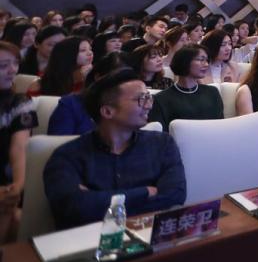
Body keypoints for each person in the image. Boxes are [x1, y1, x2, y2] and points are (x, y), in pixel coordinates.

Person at [43, 70, 187, 230]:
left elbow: (175, 197)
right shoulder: (67, 156)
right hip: (90, 239)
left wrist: (97, 201)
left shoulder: (162, 144)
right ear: (107, 111)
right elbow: (73, 208)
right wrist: (146, 192)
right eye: (141, 99)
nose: (149, 105)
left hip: (149, 234)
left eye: (148, 97)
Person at [0, 42, 35, 239]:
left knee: (11, 210)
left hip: (5, 178)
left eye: (15, 63)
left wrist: (17, 186)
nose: (12, 70)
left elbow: (20, 147)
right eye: (3, 66)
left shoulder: (19, 102)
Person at [47, 52, 126, 136]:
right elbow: (58, 142)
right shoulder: (71, 104)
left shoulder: (131, 107)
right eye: (116, 80)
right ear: (98, 77)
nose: (121, 86)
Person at [148, 46, 224, 129]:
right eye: (201, 60)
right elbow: (160, 133)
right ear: (185, 61)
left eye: (207, 60)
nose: (206, 64)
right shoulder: (161, 99)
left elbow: (221, 126)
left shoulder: (212, 92)